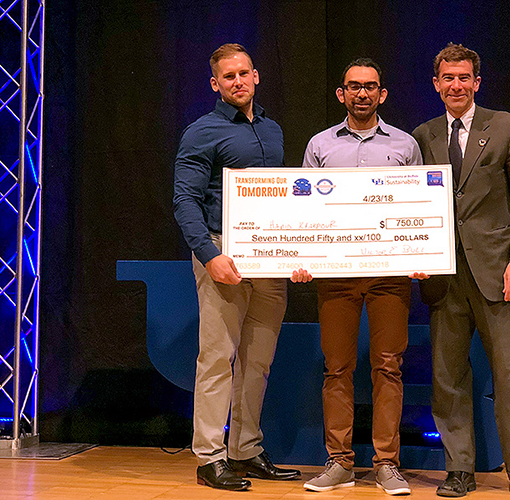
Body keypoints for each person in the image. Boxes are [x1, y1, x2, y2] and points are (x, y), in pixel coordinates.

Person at [412, 44, 510, 500]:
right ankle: (459, 470)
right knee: (448, 379)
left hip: (498, 273)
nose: (456, 85)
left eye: (463, 78)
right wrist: (412, 252)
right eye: (447, 78)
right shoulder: (423, 135)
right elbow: (410, 205)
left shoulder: (508, 126)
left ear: (477, 82)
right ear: (436, 84)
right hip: (442, 276)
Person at [173, 43, 300, 491]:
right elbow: (184, 200)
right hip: (223, 252)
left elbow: (281, 199)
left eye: (244, 73)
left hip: (268, 257)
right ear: (215, 84)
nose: (238, 81)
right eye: (228, 76)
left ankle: (245, 449)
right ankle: (210, 456)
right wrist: (210, 256)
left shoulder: (274, 130)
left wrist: (296, 253)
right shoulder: (201, 132)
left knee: (258, 361)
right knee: (217, 358)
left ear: (256, 76)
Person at [298, 58, 423, 496]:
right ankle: (340, 463)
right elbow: (305, 213)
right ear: (342, 94)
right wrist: (303, 257)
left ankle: (387, 463)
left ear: (382, 94)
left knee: (388, 367)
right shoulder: (320, 145)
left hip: (390, 275)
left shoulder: (405, 145)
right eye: (354, 87)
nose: (363, 94)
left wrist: (423, 251)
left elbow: (418, 208)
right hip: (335, 277)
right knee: (337, 368)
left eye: (370, 87)